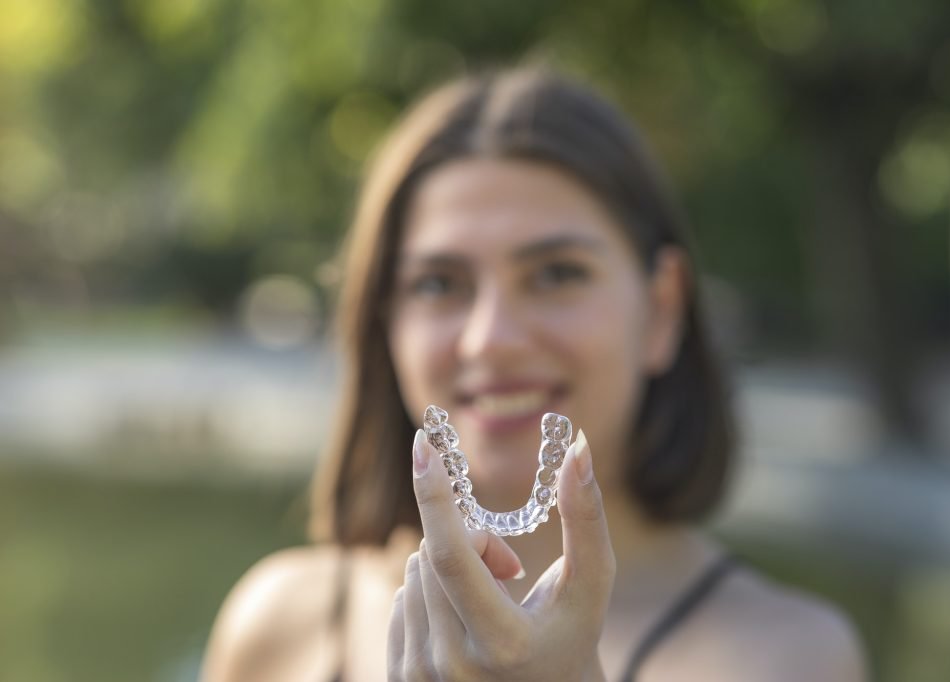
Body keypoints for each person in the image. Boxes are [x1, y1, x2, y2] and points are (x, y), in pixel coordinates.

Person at [201, 66, 868, 681]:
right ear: (385, 325)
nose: (492, 339)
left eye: (556, 275)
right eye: (439, 283)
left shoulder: (790, 658)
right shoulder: (277, 627)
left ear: (661, 310)